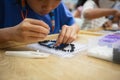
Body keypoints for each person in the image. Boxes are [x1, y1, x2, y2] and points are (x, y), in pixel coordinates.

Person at [0, 0, 79, 47]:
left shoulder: (59, 6)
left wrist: (72, 29)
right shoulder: (4, 3)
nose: (48, 6)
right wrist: (10, 34)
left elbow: (74, 25)